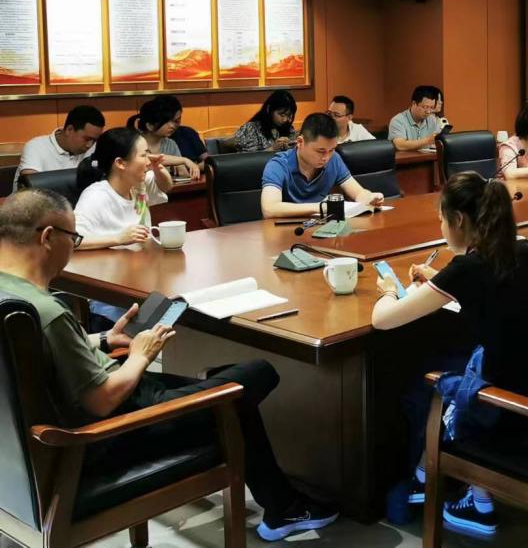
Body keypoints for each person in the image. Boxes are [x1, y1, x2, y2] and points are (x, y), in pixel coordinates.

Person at [0, 189, 338, 541]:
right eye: (74, 238)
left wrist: (104, 340)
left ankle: (283, 505)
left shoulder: (15, 300)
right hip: (105, 433)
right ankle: (284, 507)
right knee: (251, 380)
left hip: (28, 454)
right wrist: (141, 354)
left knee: (227, 388)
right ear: (48, 237)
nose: (74, 247)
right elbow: (102, 400)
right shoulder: (49, 312)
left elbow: (35, 352)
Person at [371, 172, 528, 538]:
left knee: (424, 385)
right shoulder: (525, 250)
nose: (441, 227)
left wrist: (388, 291)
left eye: (441, 219)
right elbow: (491, 292)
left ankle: (433, 479)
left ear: (458, 220)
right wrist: (438, 278)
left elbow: (382, 321)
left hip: (508, 412)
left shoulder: (467, 269)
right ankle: (457, 489)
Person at [73, 127, 175, 326]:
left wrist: (157, 169)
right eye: (144, 155)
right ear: (121, 163)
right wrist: (118, 238)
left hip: (141, 283)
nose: (148, 160)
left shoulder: (138, 184)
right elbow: (72, 240)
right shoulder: (96, 196)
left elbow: (167, 186)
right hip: (111, 298)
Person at [260, 113, 384, 218]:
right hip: (286, 233)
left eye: (331, 150)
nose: (326, 157)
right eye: (320, 151)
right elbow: (270, 209)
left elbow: (358, 193)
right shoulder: (278, 165)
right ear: (300, 142)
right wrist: (322, 207)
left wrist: (369, 197)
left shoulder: (334, 159)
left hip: (321, 228)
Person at [13, 104, 105, 190]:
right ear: (69, 130)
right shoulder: (36, 147)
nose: (90, 145)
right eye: (87, 139)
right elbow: (31, 188)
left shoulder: (93, 148)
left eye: (94, 140)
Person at [127, 95, 201, 180]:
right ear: (150, 126)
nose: (173, 126)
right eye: (166, 122)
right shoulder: (135, 142)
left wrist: (180, 168)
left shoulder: (170, 144)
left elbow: (183, 173)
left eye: (175, 121)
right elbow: (148, 159)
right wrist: (184, 160)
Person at [388, 85, 444, 151]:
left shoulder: (432, 119)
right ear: (414, 103)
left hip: (428, 157)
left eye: (432, 107)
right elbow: (400, 145)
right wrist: (428, 141)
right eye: (425, 107)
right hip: (407, 157)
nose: (428, 111)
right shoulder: (398, 121)